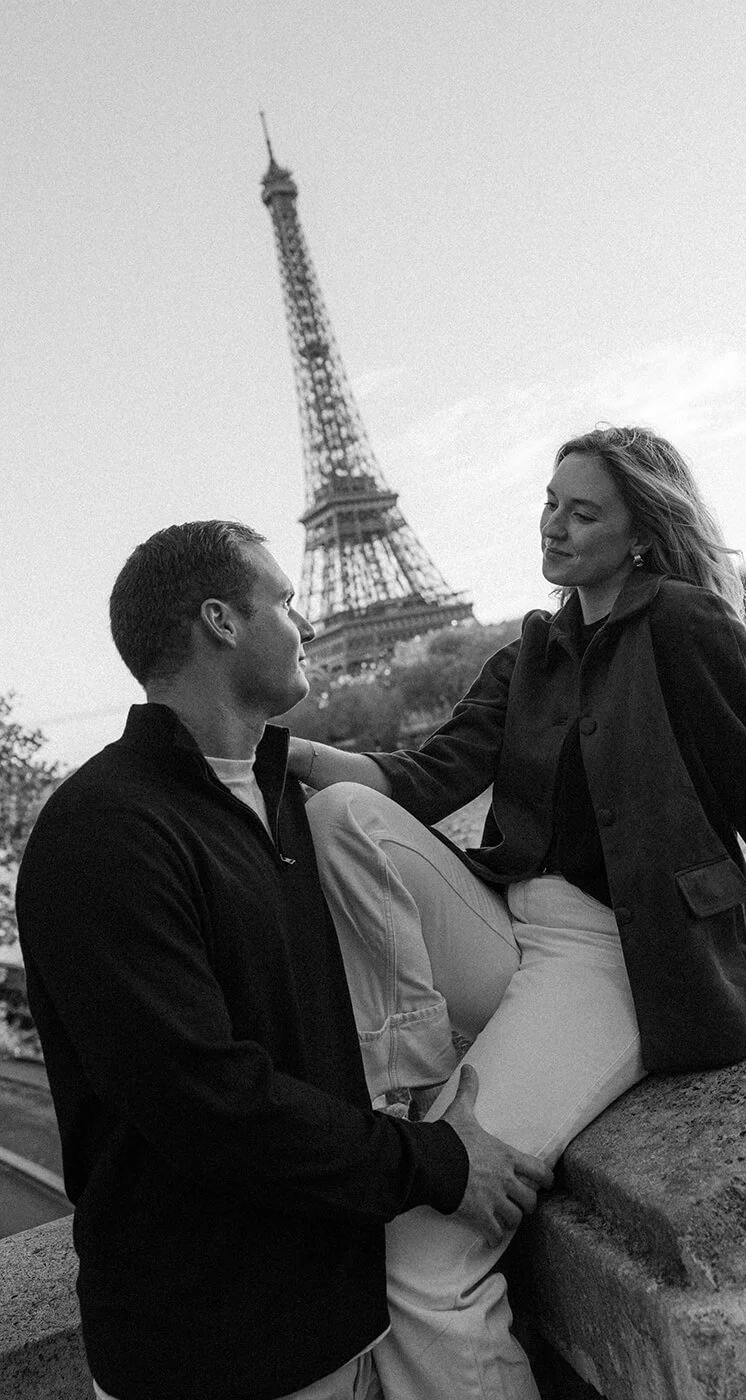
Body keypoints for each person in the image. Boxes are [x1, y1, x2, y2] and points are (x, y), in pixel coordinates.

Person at [286, 425, 746, 1400]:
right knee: (340, 812)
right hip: (507, 927)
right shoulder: (529, 653)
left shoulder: (685, 626)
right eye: (549, 502)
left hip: (616, 953)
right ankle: (407, 1081)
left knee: (422, 1246)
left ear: (641, 535)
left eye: (582, 512)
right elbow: (422, 779)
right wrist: (277, 750)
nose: (553, 524)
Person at [15, 520, 552, 1400]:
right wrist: (437, 1163)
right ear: (221, 621)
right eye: (286, 602)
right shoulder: (103, 834)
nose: (303, 625)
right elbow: (206, 1102)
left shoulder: (284, 805)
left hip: (343, 1313)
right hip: (218, 1358)